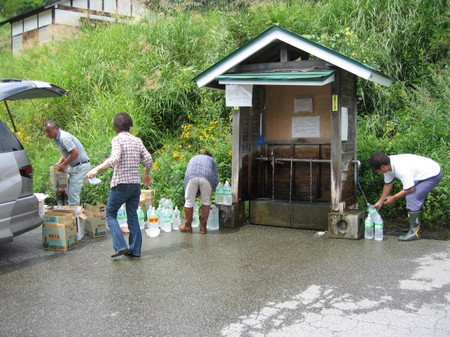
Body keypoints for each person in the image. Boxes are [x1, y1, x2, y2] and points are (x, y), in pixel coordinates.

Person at [86, 112, 152, 258]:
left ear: (116, 126)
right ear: (130, 125)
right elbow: (148, 159)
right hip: (135, 184)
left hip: (121, 183)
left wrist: (96, 169)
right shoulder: (137, 141)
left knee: (110, 214)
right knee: (132, 215)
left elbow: (115, 158)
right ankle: (135, 250)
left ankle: (121, 246)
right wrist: (146, 174)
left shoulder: (117, 140)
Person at [368, 152, 442, 241]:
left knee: (412, 197)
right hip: (421, 173)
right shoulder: (387, 165)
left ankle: (414, 232)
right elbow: (388, 185)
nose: (378, 172)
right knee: (409, 196)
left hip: (432, 175)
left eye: (377, 170)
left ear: (383, 167)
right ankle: (412, 226)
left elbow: (410, 189)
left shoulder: (400, 168)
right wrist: (380, 202)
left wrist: (394, 197)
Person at [44, 120, 91, 206]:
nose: (48, 134)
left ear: (56, 129)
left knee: (73, 194)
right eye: (46, 132)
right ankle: (70, 212)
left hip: (80, 166)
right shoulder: (58, 139)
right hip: (74, 166)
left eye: (49, 131)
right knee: (68, 191)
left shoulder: (64, 137)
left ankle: (74, 216)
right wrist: (59, 163)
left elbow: (75, 152)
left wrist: (64, 164)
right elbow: (67, 153)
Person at [179, 150, 218, 234]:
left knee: (189, 201)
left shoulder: (193, 158)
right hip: (207, 177)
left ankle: (187, 226)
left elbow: (186, 174)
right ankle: (203, 228)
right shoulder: (212, 161)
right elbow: (214, 177)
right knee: (206, 201)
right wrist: (212, 190)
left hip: (191, 176)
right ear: (210, 156)